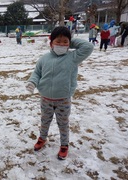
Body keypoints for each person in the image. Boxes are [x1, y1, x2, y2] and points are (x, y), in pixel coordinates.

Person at [25, 26, 93, 160]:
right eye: (58, 41)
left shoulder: (73, 57)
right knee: (45, 121)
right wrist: (32, 82)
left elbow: (88, 47)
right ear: (51, 44)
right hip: (45, 99)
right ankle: (42, 138)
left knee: (63, 124)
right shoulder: (44, 59)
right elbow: (37, 73)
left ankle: (64, 145)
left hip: (63, 100)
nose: (62, 44)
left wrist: (69, 41)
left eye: (65, 42)